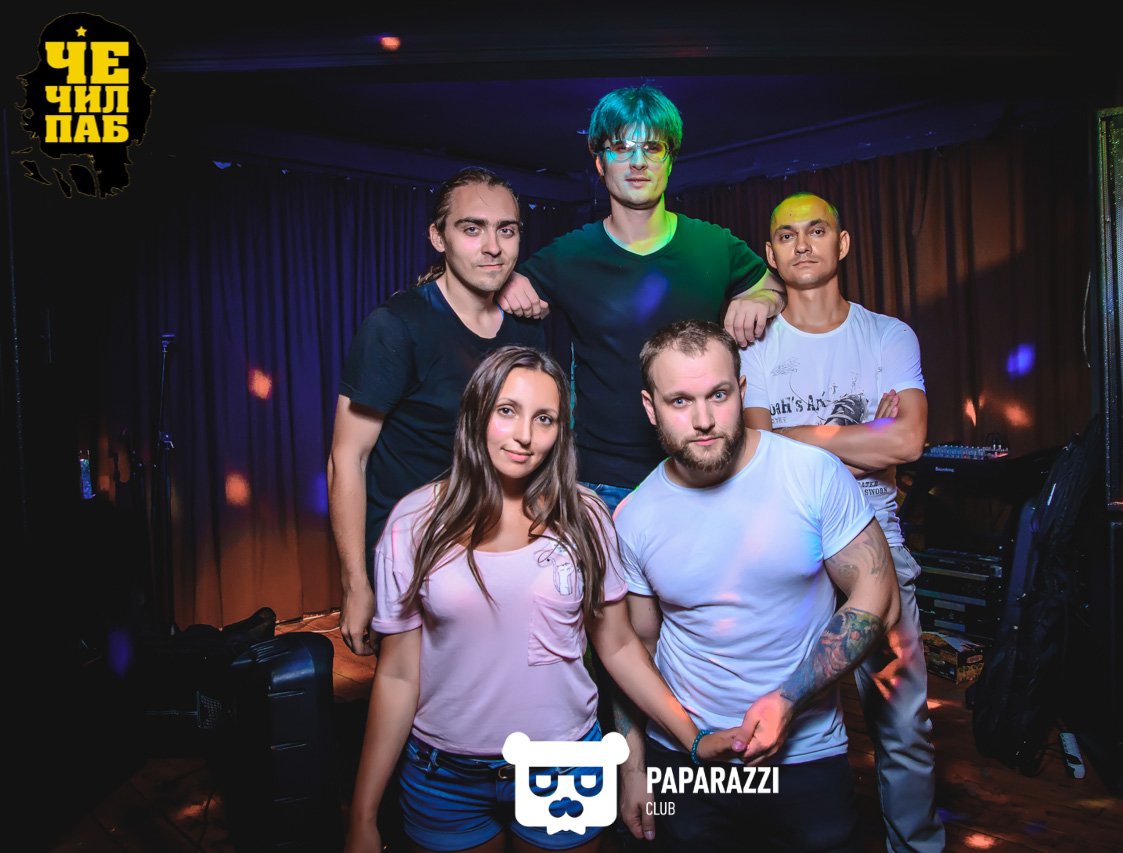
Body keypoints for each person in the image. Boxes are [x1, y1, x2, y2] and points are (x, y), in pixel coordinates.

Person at [345, 345, 743, 853]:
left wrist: (691, 737)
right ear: (476, 413)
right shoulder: (415, 522)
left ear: (560, 432)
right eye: (507, 411)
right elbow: (398, 675)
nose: (525, 435)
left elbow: (619, 646)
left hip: (565, 767)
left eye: (544, 418)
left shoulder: (585, 517)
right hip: (446, 778)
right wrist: (363, 815)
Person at [612, 320, 902, 852]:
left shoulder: (811, 473)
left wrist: (788, 699)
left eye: (718, 395)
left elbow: (877, 597)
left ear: (742, 391)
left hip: (805, 751)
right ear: (651, 408)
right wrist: (633, 769)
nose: (703, 420)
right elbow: (635, 650)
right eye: (680, 401)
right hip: (685, 756)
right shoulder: (634, 517)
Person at [740, 192, 944, 852]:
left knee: (902, 723)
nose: (803, 244)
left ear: (843, 243)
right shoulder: (756, 347)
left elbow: (908, 441)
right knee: (773, 711)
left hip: (873, 529)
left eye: (817, 230)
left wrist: (797, 437)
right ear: (771, 254)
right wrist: (862, 439)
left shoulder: (888, 335)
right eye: (787, 235)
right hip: (785, 533)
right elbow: (753, 452)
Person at [496, 84, 785, 512]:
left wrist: (762, 297)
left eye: (652, 148)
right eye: (621, 148)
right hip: (602, 484)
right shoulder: (569, 255)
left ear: (670, 160)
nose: (637, 162)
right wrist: (506, 284)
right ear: (600, 162)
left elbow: (776, 286)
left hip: (703, 473)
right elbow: (491, 294)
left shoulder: (714, 245)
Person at [328, 167, 544, 657]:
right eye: (472, 229)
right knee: (417, 695)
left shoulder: (526, 329)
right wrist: (356, 582)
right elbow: (347, 458)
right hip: (414, 557)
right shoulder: (395, 327)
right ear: (438, 236)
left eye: (506, 230)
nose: (492, 247)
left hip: (496, 550)